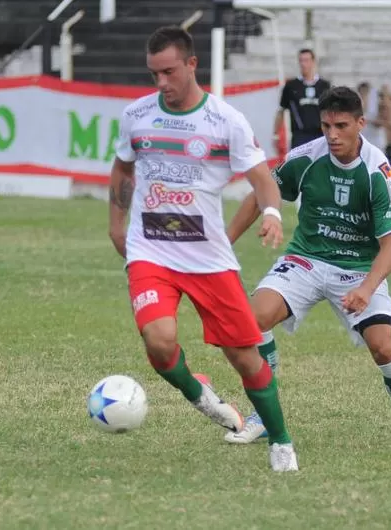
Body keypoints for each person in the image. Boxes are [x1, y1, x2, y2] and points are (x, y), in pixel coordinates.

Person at [108, 25, 298, 472]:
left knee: (245, 358)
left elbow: (263, 181)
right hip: (150, 251)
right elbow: (122, 170)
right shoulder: (136, 116)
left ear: (192, 65)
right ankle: (201, 395)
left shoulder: (225, 121)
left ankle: (282, 442)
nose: (161, 83)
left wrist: (271, 214)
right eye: (154, 74)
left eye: (169, 72)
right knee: (159, 339)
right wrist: (117, 228)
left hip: (208, 258)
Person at [223, 86, 391, 452]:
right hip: (306, 259)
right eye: (326, 126)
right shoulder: (306, 158)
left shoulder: (376, 172)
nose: (332, 135)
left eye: (341, 126)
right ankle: (263, 412)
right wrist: (223, 246)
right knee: (251, 320)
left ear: (360, 123)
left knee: (384, 348)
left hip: (356, 269)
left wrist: (367, 289)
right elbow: (261, 192)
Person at [275, 49, 331, 154]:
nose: (303, 64)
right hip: (299, 136)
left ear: (313, 62)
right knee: (299, 168)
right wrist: (276, 135)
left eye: (306, 60)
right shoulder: (291, 86)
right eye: (301, 60)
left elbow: (331, 110)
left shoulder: (325, 86)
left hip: (320, 134)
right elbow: (281, 110)